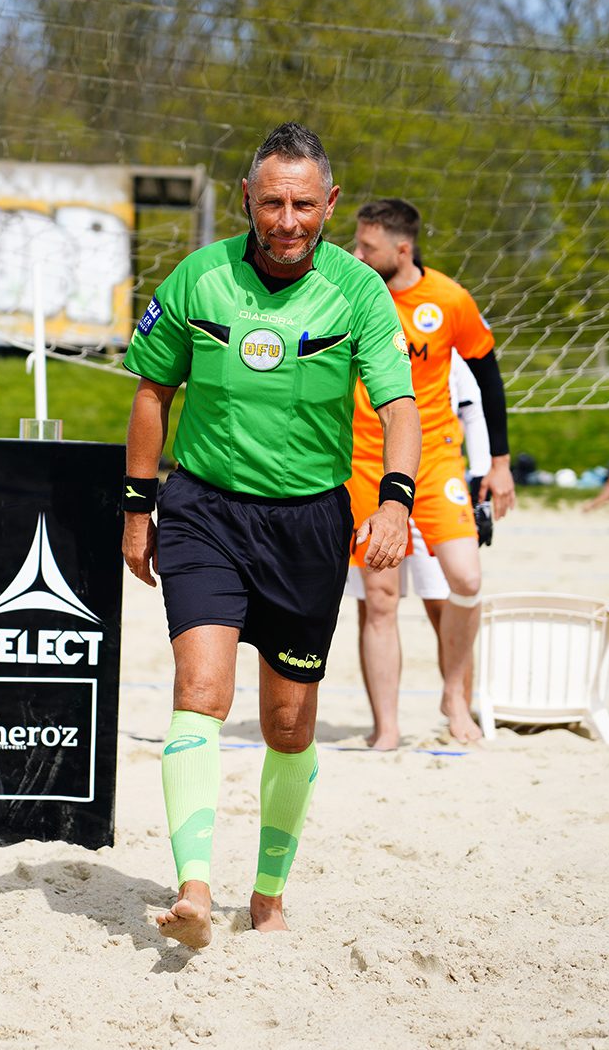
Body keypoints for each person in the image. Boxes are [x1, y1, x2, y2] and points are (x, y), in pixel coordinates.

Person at [122, 123, 421, 949]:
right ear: (247, 199)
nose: (287, 221)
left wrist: (395, 501)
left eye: (304, 205)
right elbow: (151, 394)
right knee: (201, 692)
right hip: (205, 512)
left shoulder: (360, 292)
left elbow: (399, 407)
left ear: (330, 204)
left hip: (308, 525)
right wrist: (137, 509)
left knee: (289, 724)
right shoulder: (198, 277)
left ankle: (267, 894)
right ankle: (193, 886)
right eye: (272, 203)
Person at [347, 198, 515, 747]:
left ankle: (454, 699)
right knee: (380, 598)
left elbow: (488, 377)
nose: (356, 253)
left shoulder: (448, 299)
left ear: (402, 249)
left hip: (436, 456)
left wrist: (499, 463)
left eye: (367, 246)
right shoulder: (350, 293)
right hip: (365, 460)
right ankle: (387, 729)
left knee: (466, 579)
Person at [346, 351, 493, 713]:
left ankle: (458, 706)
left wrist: (485, 472)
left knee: (448, 595)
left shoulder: (444, 333)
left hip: (432, 473)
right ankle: (385, 727)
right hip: (366, 469)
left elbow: (475, 400)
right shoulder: (358, 325)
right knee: (377, 600)